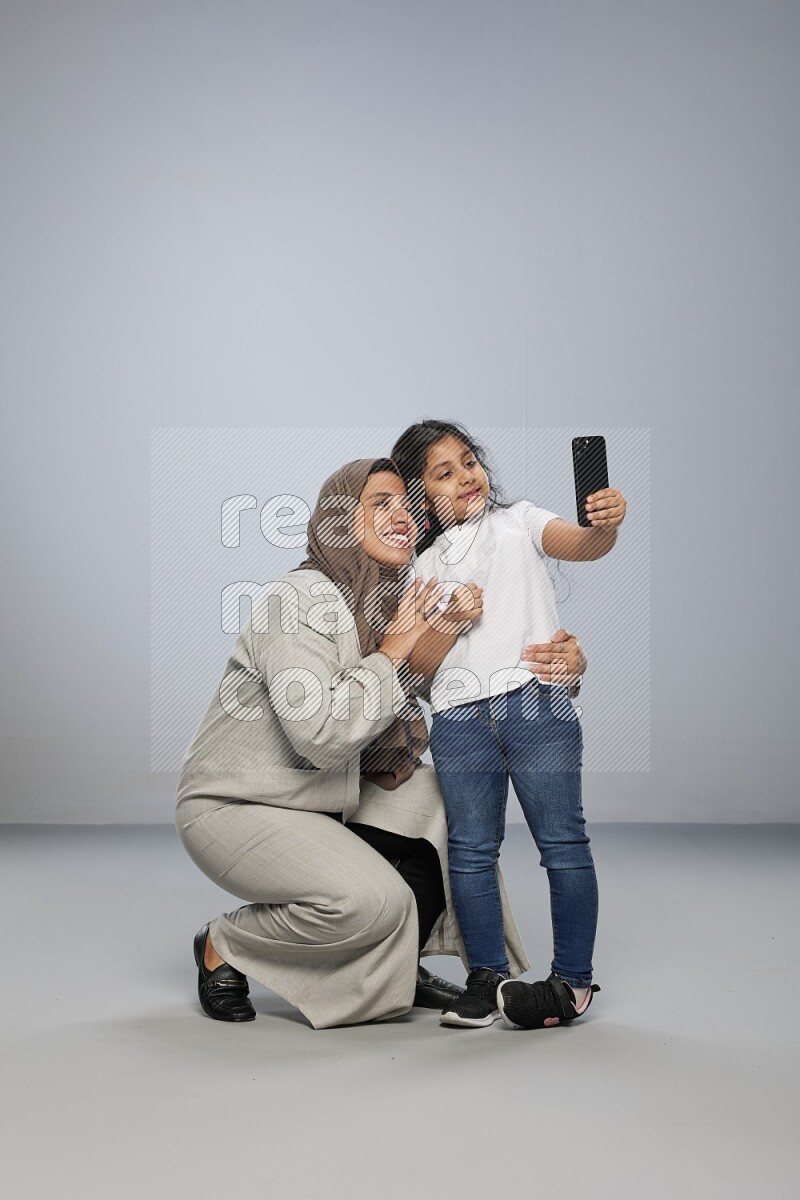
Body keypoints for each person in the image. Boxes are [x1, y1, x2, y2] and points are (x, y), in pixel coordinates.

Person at [175, 457, 535, 1030]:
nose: (404, 516)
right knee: (375, 902)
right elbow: (320, 734)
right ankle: (225, 942)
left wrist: (561, 661)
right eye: (381, 504)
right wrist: (391, 653)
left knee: (453, 806)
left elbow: (446, 683)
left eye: (408, 505)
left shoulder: (389, 603)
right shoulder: (296, 600)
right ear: (341, 522)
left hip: (322, 794)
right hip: (238, 805)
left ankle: (396, 961)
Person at [390, 420, 626, 1030]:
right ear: (421, 497)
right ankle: (485, 976)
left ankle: (572, 982)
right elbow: (415, 670)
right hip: (458, 718)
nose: (467, 476)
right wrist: (445, 619)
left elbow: (583, 544)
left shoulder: (519, 520)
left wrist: (604, 523)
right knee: (469, 852)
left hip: (535, 704)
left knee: (563, 845)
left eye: (469, 462)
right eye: (444, 473)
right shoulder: (420, 570)